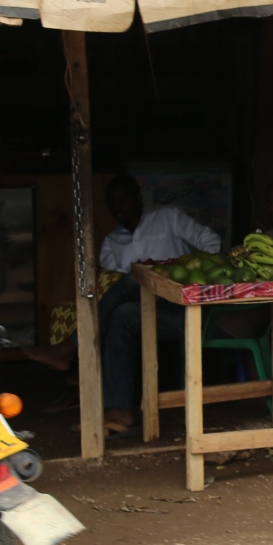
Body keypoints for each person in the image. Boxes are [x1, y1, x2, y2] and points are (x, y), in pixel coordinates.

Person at [97, 174, 221, 433]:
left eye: (122, 201)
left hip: (180, 311)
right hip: (147, 313)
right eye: (112, 203)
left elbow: (211, 242)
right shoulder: (111, 243)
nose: (117, 207)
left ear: (137, 198)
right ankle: (120, 410)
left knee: (137, 275)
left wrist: (190, 273)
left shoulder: (168, 217)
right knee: (121, 313)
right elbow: (113, 284)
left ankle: (76, 343)